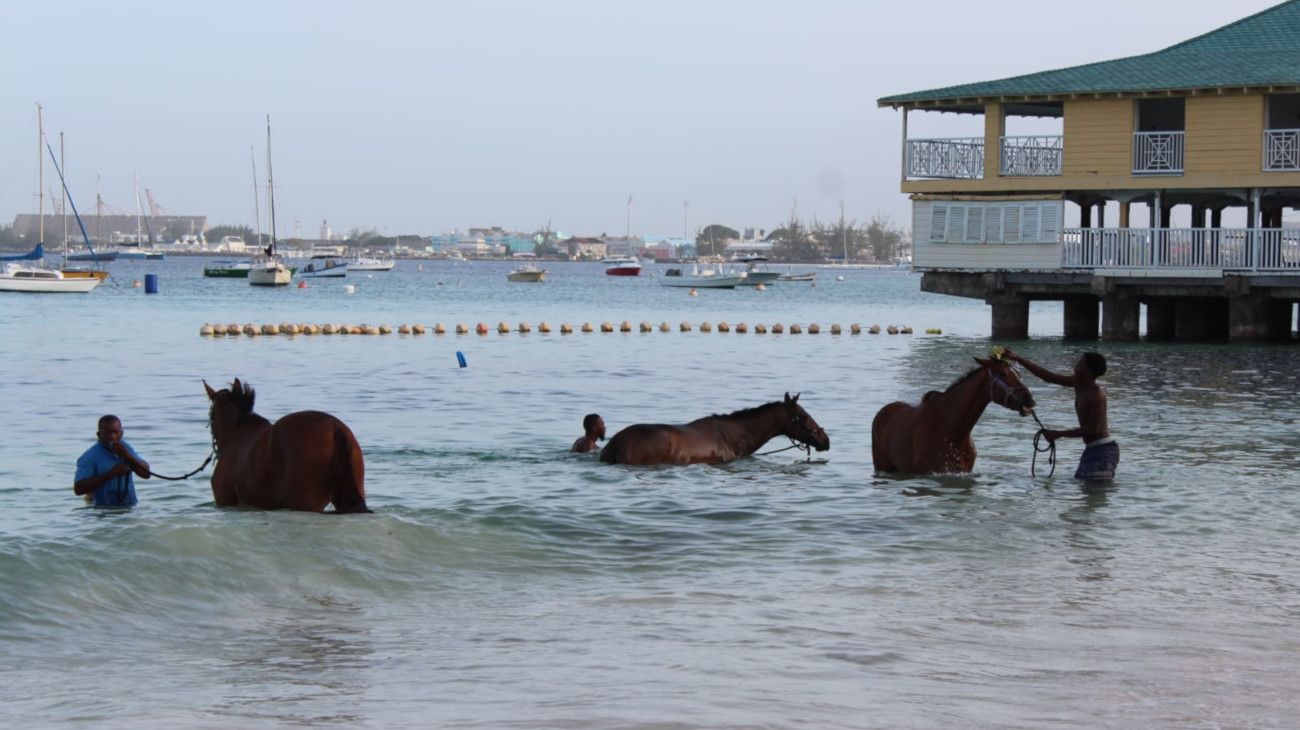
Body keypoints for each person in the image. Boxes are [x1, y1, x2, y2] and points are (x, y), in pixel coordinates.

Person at [1003, 350, 1118, 480]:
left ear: (1088, 371)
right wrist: (1018, 358)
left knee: (1094, 493)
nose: (1076, 366)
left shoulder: (1096, 395)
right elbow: (1048, 377)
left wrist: (1058, 434)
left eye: (1081, 363)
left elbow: (1092, 430)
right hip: (1093, 449)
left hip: (1102, 450)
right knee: (1088, 491)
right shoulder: (1078, 383)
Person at [74, 415, 151, 506]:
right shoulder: (90, 457)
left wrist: (127, 456)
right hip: (103, 512)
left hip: (130, 509)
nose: (112, 437)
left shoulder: (125, 448)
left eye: (115, 432)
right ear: (99, 435)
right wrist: (111, 474)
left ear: (121, 434)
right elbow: (78, 489)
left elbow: (146, 474)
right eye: (107, 433)